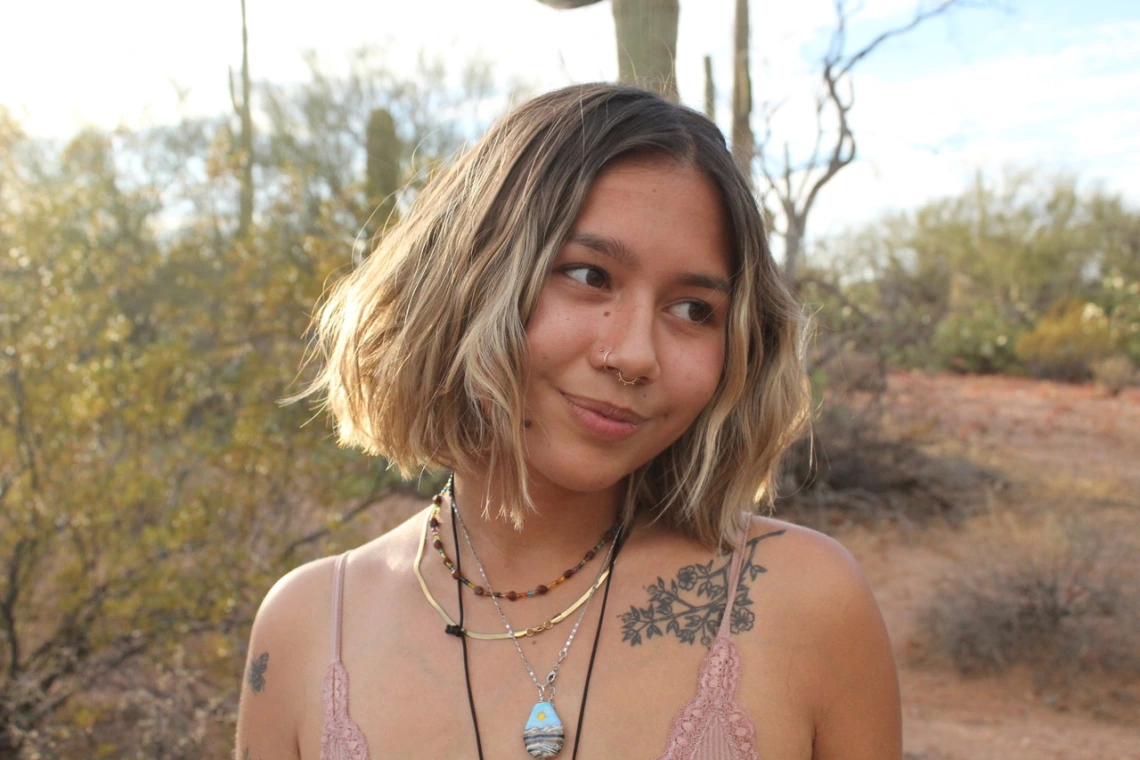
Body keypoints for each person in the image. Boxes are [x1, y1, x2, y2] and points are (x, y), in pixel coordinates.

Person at [236, 83, 901, 760]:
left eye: (694, 309)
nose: (636, 354)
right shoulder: (310, 628)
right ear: (470, 276)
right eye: (589, 275)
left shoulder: (806, 602)